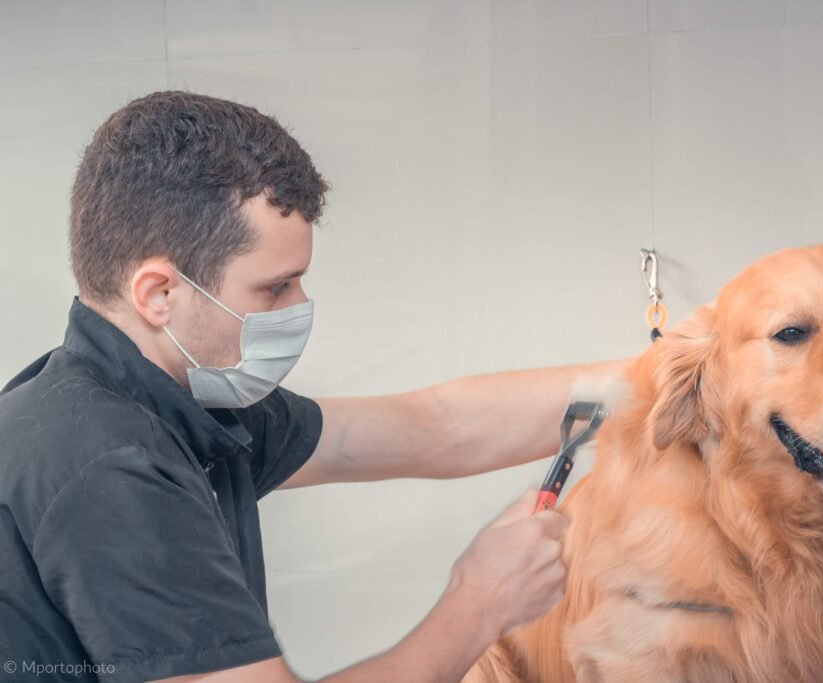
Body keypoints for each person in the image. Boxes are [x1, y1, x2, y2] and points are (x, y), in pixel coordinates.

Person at [0, 91, 627, 683]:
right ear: (159, 294)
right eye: (274, 288)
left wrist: (651, 383)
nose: (299, 306)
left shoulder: (171, 400)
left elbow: (435, 428)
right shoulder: (109, 469)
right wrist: (479, 605)